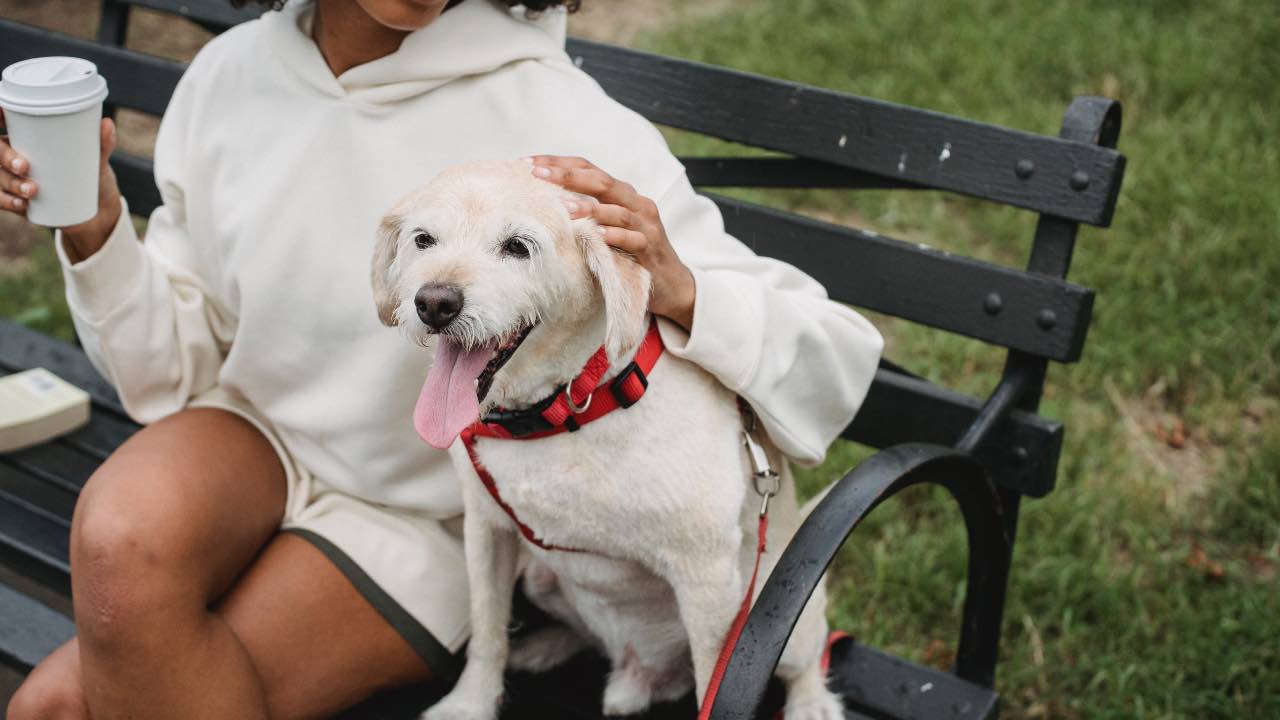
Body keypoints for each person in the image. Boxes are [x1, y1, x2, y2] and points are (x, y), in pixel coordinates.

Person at [1, 0, 883, 717]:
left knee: (59, 707)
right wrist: (95, 228)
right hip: (253, 437)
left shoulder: (556, 113)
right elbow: (175, 370)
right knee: (113, 543)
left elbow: (833, 349)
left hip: (430, 515)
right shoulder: (230, 77)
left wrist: (682, 284)